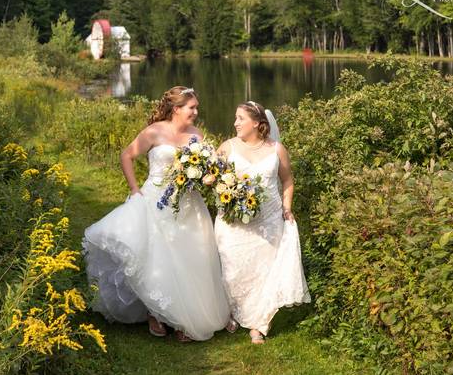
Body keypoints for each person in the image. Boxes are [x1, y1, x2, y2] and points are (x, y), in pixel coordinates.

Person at [82, 86, 231, 342]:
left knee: (189, 258)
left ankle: (185, 319)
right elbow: (127, 156)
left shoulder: (197, 135)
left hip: (188, 205)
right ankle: (156, 312)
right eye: (191, 107)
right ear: (176, 109)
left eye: (196, 107)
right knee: (157, 257)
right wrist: (134, 189)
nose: (196, 112)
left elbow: (209, 169)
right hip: (156, 200)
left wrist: (208, 177)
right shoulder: (154, 131)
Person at [214, 101, 311, 344]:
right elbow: (213, 177)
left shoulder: (277, 149)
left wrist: (287, 207)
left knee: (265, 271)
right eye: (235, 118)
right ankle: (233, 311)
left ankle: (260, 323)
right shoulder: (227, 147)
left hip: (268, 220)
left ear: (257, 123)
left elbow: (287, 181)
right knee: (233, 269)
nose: (235, 123)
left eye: (240, 119)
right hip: (234, 220)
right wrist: (218, 187)